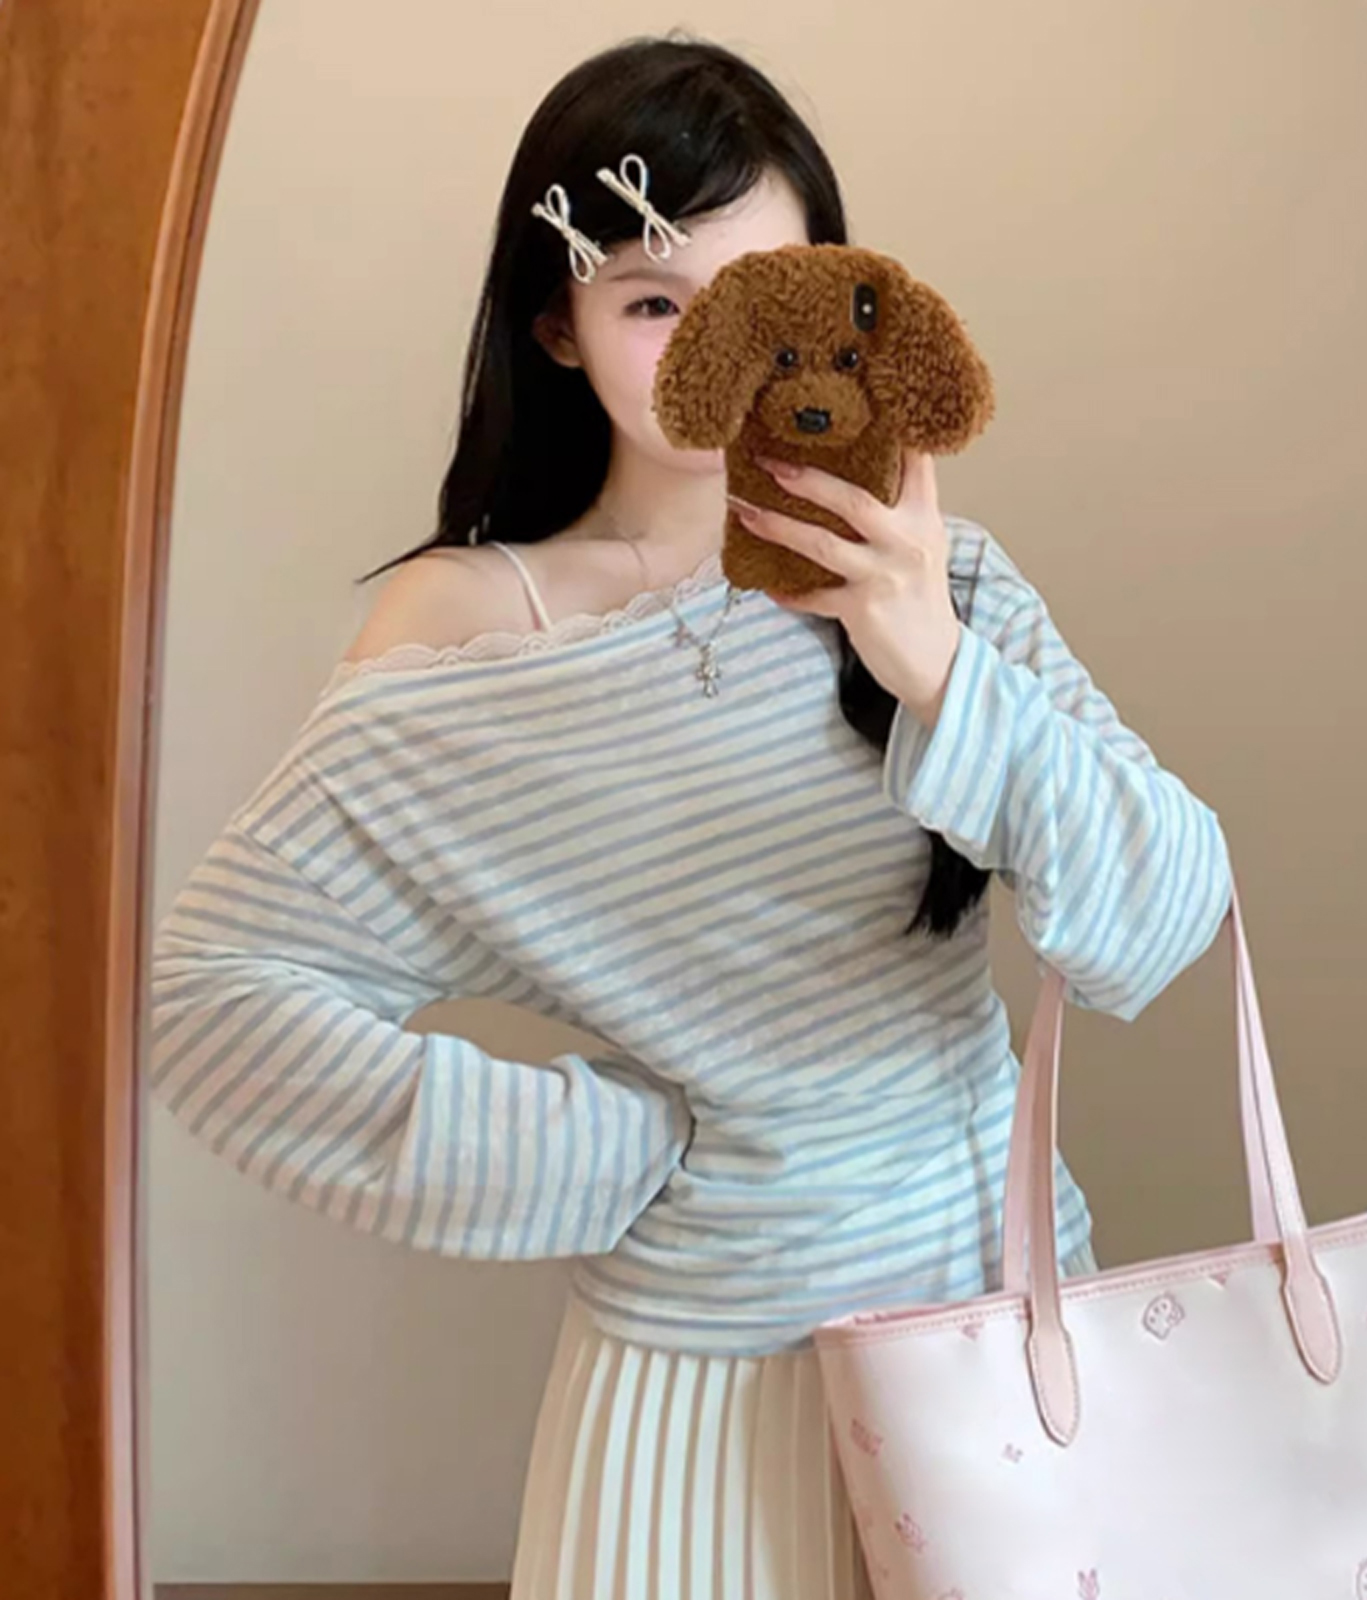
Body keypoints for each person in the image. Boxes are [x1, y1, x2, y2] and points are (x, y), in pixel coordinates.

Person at [147, 31, 1232, 1600]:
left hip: (1000, 1339)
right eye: (655, 302)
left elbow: (1165, 919)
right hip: (692, 1411)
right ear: (559, 322)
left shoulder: (941, 576)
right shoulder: (469, 632)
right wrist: (596, 1156)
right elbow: (215, 1001)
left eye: (762, 294)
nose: (724, 348)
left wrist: (932, 662)